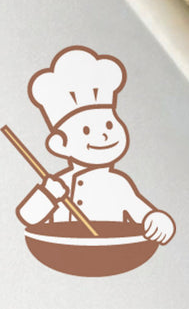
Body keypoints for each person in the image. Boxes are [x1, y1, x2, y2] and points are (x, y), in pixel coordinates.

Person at [15, 46, 175, 244]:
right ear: (60, 144)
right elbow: (28, 216)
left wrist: (157, 220)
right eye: (86, 131)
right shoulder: (59, 184)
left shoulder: (118, 184)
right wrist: (48, 195)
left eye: (109, 124)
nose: (103, 135)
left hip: (113, 252)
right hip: (60, 252)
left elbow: (142, 212)